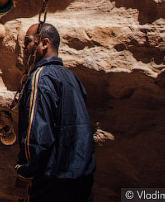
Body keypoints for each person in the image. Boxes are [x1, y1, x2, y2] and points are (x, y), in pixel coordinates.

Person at [14, 23, 95, 201]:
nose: (24, 48)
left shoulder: (40, 77)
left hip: (52, 183)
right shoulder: (71, 77)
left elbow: (36, 135)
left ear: (44, 43)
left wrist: (25, 174)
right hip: (81, 179)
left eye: (27, 42)